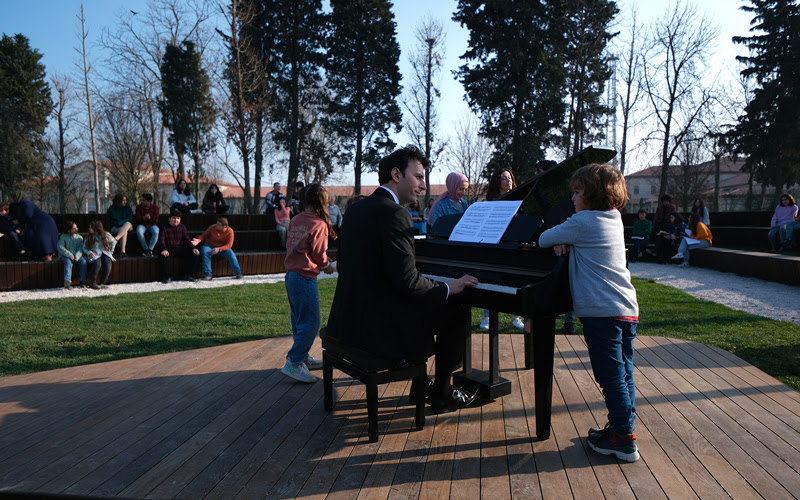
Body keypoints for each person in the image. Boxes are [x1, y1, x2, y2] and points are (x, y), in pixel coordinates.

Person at [326, 146, 480, 414]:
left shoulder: (356, 210)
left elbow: (363, 266)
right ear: (396, 175)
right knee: (456, 310)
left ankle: (421, 385)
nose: (423, 185)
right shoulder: (396, 213)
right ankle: (442, 393)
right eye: (418, 177)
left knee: (431, 305)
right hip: (378, 329)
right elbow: (408, 282)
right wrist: (448, 286)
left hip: (350, 320)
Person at [538, 163, 640, 462]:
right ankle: (621, 428)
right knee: (624, 374)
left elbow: (544, 237)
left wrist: (561, 238)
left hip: (601, 312)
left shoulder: (582, 221)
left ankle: (623, 439)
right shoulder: (614, 217)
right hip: (626, 309)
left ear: (593, 195)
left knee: (610, 378)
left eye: (577, 192)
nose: (572, 198)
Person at [281, 184, 338, 383]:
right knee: (311, 322)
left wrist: (324, 262)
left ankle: (302, 357)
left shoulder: (296, 219)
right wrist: (328, 265)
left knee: (299, 320)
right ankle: (294, 362)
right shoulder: (319, 224)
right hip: (305, 278)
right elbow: (318, 255)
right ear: (321, 202)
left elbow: (301, 248)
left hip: (291, 276)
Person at [480, 168, 524, 330]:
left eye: (510, 177)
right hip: (494, 245)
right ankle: (487, 316)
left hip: (513, 245)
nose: (508, 180)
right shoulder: (490, 202)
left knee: (514, 281)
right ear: (497, 182)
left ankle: (516, 317)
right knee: (490, 281)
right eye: (504, 178)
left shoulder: (519, 201)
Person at [191, 216, 242, 280]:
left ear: (224, 226)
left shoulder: (230, 231)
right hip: (209, 245)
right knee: (205, 252)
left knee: (231, 253)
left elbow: (229, 245)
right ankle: (208, 274)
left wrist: (219, 249)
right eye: (216, 223)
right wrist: (198, 240)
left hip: (222, 247)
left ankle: (238, 273)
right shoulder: (212, 227)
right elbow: (203, 235)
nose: (216, 225)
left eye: (218, 225)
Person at [157, 209, 200, 283]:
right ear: (169, 218)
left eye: (178, 218)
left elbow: (187, 239)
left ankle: (188, 275)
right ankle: (167, 277)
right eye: (174, 218)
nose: (176, 220)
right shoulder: (164, 227)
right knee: (164, 256)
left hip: (180, 248)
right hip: (168, 248)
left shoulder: (182, 227)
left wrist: (193, 248)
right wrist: (164, 249)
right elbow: (161, 240)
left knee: (194, 254)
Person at [82, 220, 116, 289]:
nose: (89, 229)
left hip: (105, 252)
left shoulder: (106, 235)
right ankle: (92, 282)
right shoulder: (89, 237)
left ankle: (102, 282)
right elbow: (84, 248)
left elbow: (113, 241)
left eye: (91, 227)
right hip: (95, 253)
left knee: (107, 264)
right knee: (97, 264)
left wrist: (111, 251)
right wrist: (89, 252)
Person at [57, 220, 87, 289]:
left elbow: (80, 249)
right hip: (65, 256)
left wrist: (76, 257)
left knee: (83, 262)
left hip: (77, 256)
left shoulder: (79, 238)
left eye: (76, 228)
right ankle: (67, 281)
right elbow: (60, 247)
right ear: (68, 230)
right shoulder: (63, 237)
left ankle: (82, 281)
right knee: (68, 263)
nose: (76, 229)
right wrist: (70, 255)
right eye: (74, 228)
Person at [106, 193, 134, 258]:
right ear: (119, 201)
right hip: (115, 226)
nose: (125, 202)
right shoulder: (111, 209)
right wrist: (117, 223)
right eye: (123, 200)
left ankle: (116, 239)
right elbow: (109, 219)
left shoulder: (127, 208)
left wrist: (122, 222)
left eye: (125, 200)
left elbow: (130, 217)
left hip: (126, 225)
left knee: (127, 224)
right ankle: (123, 251)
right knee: (124, 232)